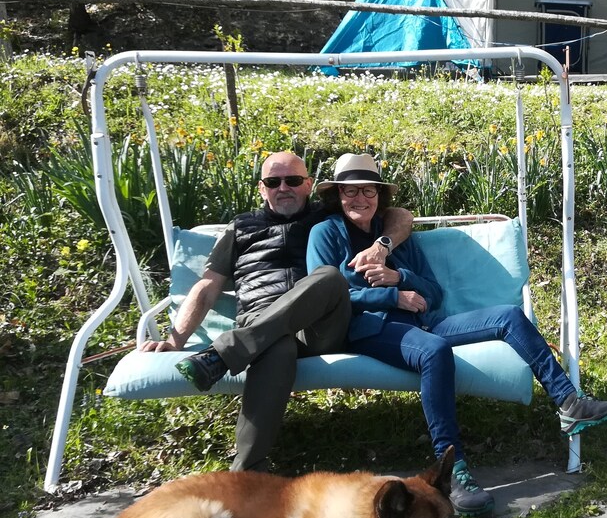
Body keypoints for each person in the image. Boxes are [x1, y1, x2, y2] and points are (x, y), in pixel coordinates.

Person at [306, 153, 607, 518]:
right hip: (372, 329)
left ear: (379, 195)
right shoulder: (326, 233)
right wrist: (391, 295)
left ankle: (570, 403)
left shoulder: (392, 236)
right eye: (350, 192)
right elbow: (328, 296)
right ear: (337, 195)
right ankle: (453, 471)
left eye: (368, 190)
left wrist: (402, 279)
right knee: (434, 351)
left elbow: (434, 292)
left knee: (508, 316)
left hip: (425, 321)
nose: (359, 199)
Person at [141, 151, 413, 471]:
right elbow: (206, 287)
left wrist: (381, 244)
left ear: (309, 184)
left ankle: (224, 355)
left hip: (319, 326)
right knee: (277, 345)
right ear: (262, 188)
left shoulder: (326, 217)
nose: (283, 187)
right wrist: (174, 340)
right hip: (261, 324)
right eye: (273, 181)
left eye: (293, 180)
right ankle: (247, 472)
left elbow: (400, 214)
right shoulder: (239, 228)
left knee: (328, 277)